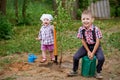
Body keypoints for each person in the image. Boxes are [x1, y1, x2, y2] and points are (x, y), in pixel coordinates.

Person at [68, 10, 105, 79]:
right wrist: (88, 51)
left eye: (87, 19)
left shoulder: (96, 29)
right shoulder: (81, 29)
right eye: (83, 19)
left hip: (96, 46)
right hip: (86, 46)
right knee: (75, 57)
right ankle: (74, 70)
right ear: (81, 20)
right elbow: (83, 41)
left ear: (92, 20)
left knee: (101, 58)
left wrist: (93, 53)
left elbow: (97, 42)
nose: (85, 21)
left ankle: (98, 71)